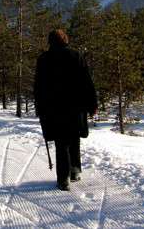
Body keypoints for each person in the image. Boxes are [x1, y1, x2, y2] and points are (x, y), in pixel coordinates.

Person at [34, 29, 98, 191]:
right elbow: (87, 82)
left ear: (50, 42)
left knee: (61, 141)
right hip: (76, 106)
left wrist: (40, 108)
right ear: (65, 39)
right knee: (74, 136)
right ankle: (75, 170)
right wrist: (92, 105)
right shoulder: (77, 55)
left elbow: (39, 87)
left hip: (53, 108)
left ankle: (63, 179)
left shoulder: (44, 59)